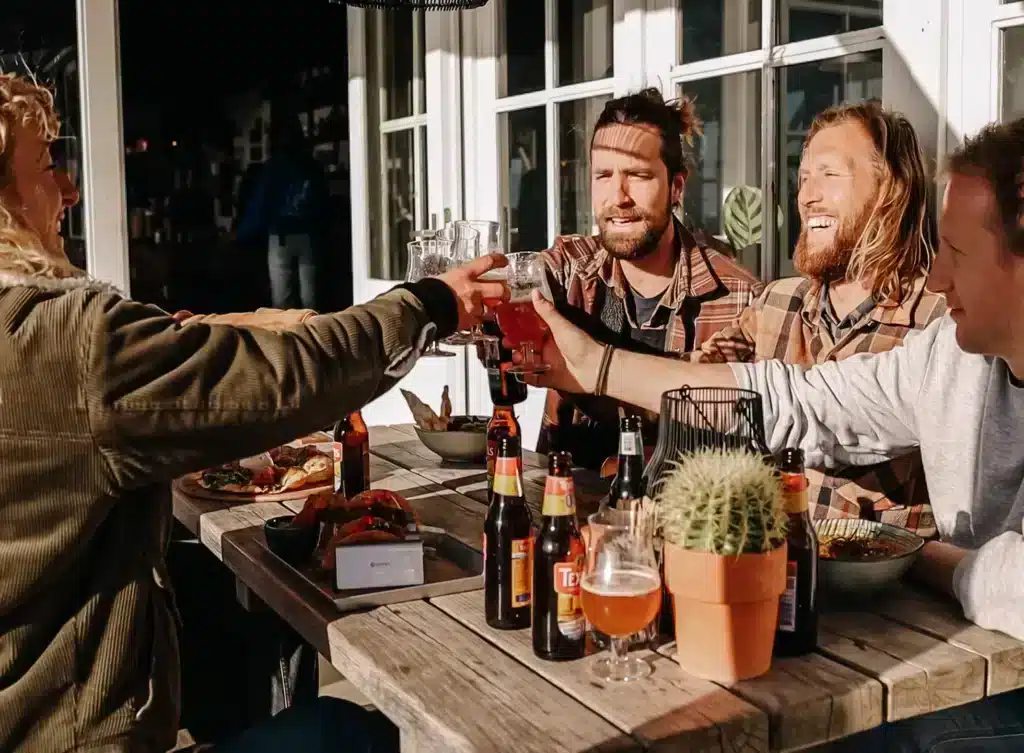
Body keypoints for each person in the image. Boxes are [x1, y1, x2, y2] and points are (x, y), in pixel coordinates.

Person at [0, 73, 508, 753]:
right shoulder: (62, 342)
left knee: (244, 641)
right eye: (45, 167)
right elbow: (286, 380)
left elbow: (169, 353)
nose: (69, 190)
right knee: (348, 732)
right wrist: (429, 304)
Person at [526, 115, 1024, 749]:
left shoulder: (927, 323)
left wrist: (920, 556)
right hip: (960, 653)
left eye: (955, 254)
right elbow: (791, 400)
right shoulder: (949, 357)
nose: (938, 277)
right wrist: (598, 366)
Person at [684, 102, 947, 538]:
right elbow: (716, 378)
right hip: (769, 570)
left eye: (829, 174)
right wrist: (709, 369)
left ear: (891, 189)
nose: (807, 195)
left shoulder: (940, 319)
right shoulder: (775, 302)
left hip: (892, 593)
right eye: (803, 177)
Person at [537, 88, 764, 471]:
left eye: (638, 176)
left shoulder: (738, 299)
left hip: (678, 517)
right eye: (604, 176)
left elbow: (731, 428)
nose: (618, 196)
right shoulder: (571, 270)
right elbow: (505, 285)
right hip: (563, 502)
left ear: (677, 186)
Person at [238, 113, 330, 310]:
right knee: (311, 299)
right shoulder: (312, 167)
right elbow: (324, 202)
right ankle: (316, 336)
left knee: (282, 301)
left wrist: (242, 234)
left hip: (281, 236)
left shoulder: (273, 168)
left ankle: (287, 337)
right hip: (309, 234)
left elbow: (260, 205)